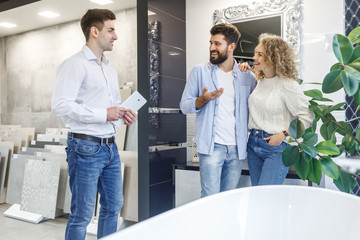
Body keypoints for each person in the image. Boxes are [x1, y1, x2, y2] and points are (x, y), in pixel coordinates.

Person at [52, 9, 137, 240]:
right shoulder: (74, 64)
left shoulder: (109, 69)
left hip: (109, 147)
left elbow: (111, 110)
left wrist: (123, 116)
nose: (115, 36)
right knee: (82, 214)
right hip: (85, 147)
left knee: (113, 207)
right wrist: (104, 114)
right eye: (111, 30)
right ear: (94, 31)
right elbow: (60, 105)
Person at [180, 23, 256, 197]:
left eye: (217, 44)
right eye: (211, 43)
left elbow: (257, 106)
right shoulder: (199, 71)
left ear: (231, 47)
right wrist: (202, 100)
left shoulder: (247, 76)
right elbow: (184, 106)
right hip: (212, 147)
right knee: (210, 198)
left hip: (237, 148)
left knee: (228, 199)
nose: (212, 48)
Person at [245, 33, 313, 186]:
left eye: (260, 54)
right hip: (253, 144)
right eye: (255, 53)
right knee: (258, 195)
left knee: (267, 198)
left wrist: (283, 135)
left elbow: (306, 116)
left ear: (273, 57)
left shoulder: (287, 84)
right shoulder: (259, 81)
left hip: (275, 148)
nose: (254, 57)